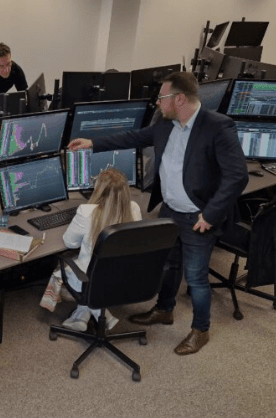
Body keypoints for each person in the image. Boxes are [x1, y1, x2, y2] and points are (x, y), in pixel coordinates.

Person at [67, 71, 248, 355]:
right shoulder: (166, 123)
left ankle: (200, 330)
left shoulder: (217, 126)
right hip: (170, 210)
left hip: (199, 216)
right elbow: (134, 137)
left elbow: (237, 176)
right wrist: (93, 143)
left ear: (179, 99)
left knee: (196, 277)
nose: (158, 103)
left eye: (162, 97)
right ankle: (164, 309)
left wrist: (211, 214)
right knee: (169, 265)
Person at [39, 168, 142, 332]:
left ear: (98, 189)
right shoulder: (134, 208)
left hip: (90, 279)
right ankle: (82, 316)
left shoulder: (86, 212)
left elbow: (70, 243)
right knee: (93, 271)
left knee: (67, 266)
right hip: (124, 276)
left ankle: (100, 316)